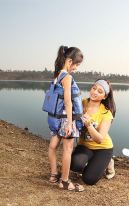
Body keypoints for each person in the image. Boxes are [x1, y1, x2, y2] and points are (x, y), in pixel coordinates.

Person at [47, 45, 84, 192]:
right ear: (69, 61)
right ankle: (65, 181)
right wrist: (70, 123)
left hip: (56, 119)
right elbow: (68, 102)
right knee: (68, 149)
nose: (76, 68)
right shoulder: (67, 77)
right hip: (65, 119)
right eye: (76, 65)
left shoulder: (57, 75)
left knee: (52, 146)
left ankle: (53, 175)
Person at [70, 79, 116, 185]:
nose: (95, 92)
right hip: (84, 146)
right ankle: (92, 162)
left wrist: (89, 125)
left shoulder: (106, 113)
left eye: (100, 91)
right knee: (75, 165)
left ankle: (108, 162)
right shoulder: (81, 104)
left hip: (103, 148)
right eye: (94, 88)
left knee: (89, 180)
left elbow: (99, 139)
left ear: (104, 97)